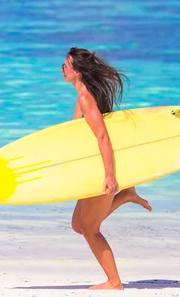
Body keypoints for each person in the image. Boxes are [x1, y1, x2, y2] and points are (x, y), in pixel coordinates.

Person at [61, 47, 152, 290]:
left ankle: (114, 282)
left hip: (99, 172)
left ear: (78, 72)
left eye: (66, 66)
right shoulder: (83, 95)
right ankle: (125, 196)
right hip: (90, 169)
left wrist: (110, 176)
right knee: (77, 226)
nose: (62, 70)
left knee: (90, 229)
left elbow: (103, 137)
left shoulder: (85, 98)